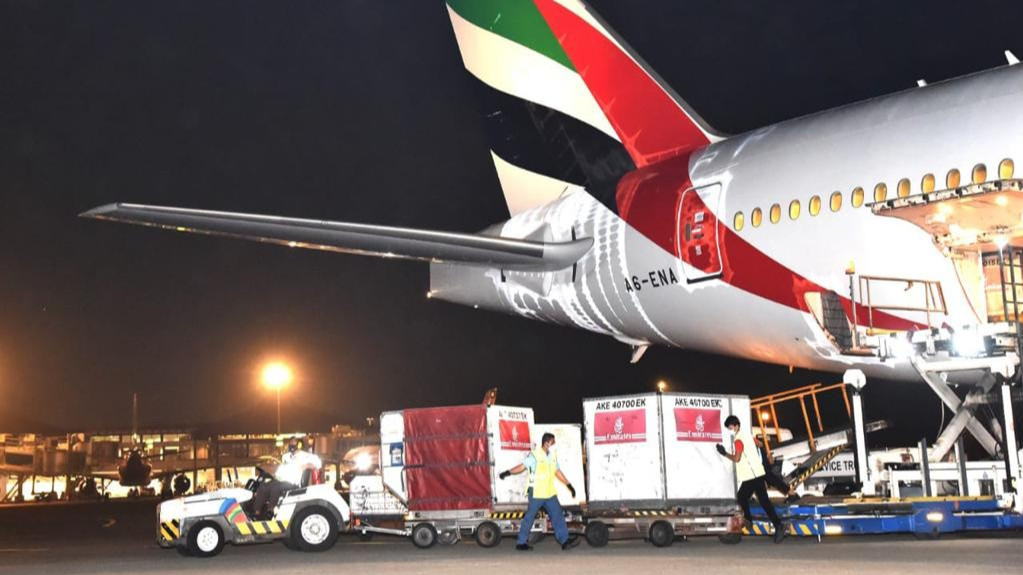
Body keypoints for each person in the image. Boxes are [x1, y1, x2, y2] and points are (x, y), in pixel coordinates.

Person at [498, 432, 580, 551]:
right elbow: (522, 467)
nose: (554, 445)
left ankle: (564, 541)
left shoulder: (552, 456)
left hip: (549, 493)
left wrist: (569, 485)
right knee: (530, 517)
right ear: (546, 443)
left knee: (558, 516)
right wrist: (508, 472)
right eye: (553, 442)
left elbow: (557, 471)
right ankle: (521, 543)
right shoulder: (535, 455)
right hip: (536, 493)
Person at [716, 415, 788, 543]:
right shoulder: (748, 435)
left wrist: (724, 453)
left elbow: (737, 458)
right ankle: (778, 525)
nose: (729, 430)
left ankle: (749, 520)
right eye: (728, 428)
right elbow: (759, 443)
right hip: (758, 472)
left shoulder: (738, 440)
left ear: (736, 426)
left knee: (742, 496)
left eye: (730, 427)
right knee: (764, 502)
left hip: (751, 476)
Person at [251, 437, 323, 518]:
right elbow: (280, 469)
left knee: (276, 486)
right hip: (280, 481)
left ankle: (270, 510)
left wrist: (307, 465)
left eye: (294, 442)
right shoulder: (286, 457)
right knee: (263, 486)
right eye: (290, 443)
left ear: (299, 445)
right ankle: (256, 512)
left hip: (292, 483)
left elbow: (318, 463)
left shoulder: (304, 456)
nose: (292, 445)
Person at [753, 434, 798, 503]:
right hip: (759, 459)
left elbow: (760, 444)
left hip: (759, 460)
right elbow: (760, 444)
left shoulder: (745, 436)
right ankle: (792, 494)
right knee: (767, 478)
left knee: (769, 478)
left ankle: (792, 494)